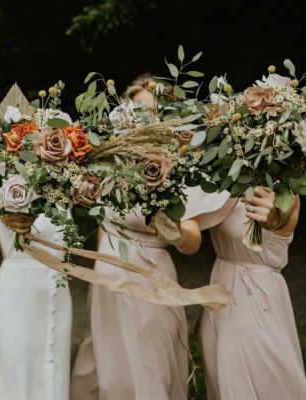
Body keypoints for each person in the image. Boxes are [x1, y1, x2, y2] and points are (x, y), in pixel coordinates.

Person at [70, 75, 199, 400]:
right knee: (112, 373)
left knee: (150, 366)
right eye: (137, 111)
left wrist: (172, 226)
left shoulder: (180, 168)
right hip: (108, 282)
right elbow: (102, 225)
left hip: (152, 280)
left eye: (151, 111)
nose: (143, 119)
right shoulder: (110, 162)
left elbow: (192, 243)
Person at [187, 187, 306, 399]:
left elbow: (278, 217)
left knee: (256, 381)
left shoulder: (284, 192)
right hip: (220, 298)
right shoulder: (225, 187)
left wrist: (274, 217)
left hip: (254, 302)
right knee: (222, 384)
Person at [0, 206, 73, 399]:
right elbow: (6, 242)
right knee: (17, 369)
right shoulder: (6, 188)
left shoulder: (64, 185)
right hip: (18, 295)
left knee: (55, 370)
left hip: (58, 293)